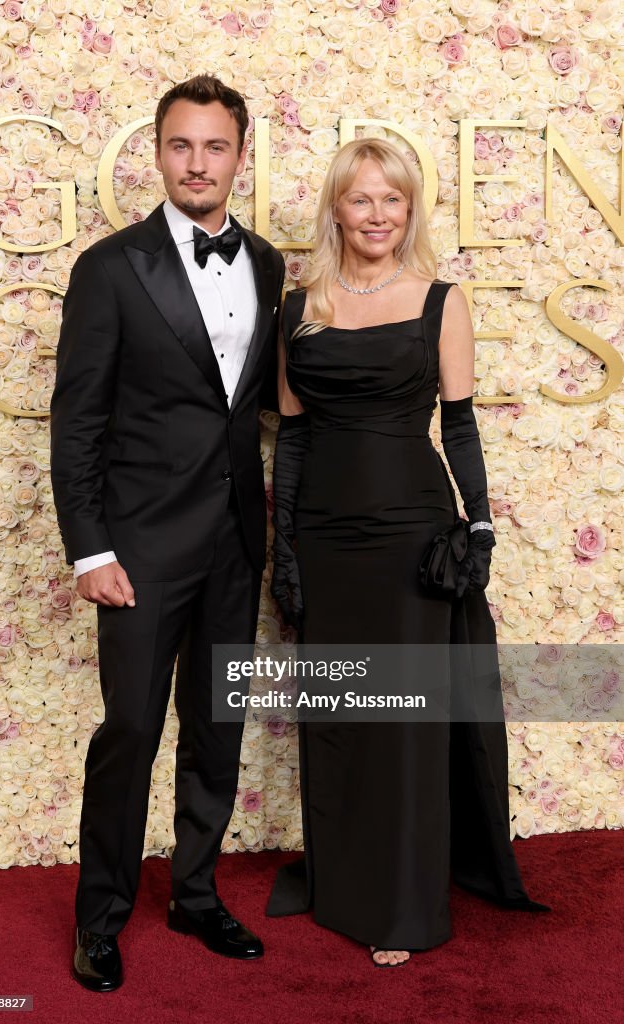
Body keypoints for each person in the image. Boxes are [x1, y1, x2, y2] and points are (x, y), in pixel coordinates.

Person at [266, 138, 549, 967]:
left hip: (410, 538)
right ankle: (346, 885)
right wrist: (285, 549)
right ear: (337, 210)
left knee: (402, 725)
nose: (377, 216)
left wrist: (482, 523)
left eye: (392, 200)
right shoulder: (300, 305)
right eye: (361, 200)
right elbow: (290, 437)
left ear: (409, 210)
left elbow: (457, 425)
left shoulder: (438, 301)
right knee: (341, 718)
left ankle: (402, 910)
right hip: (325, 538)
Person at [50, 75, 285, 991]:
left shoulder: (264, 261)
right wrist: (90, 548)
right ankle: (98, 918)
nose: (198, 163)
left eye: (215, 147)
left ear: (239, 155)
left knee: (215, 729)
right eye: (181, 146)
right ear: (157, 152)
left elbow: (259, 405)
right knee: (131, 733)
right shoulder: (110, 267)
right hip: (139, 549)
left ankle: (195, 893)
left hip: (234, 538)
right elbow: (77, 422)